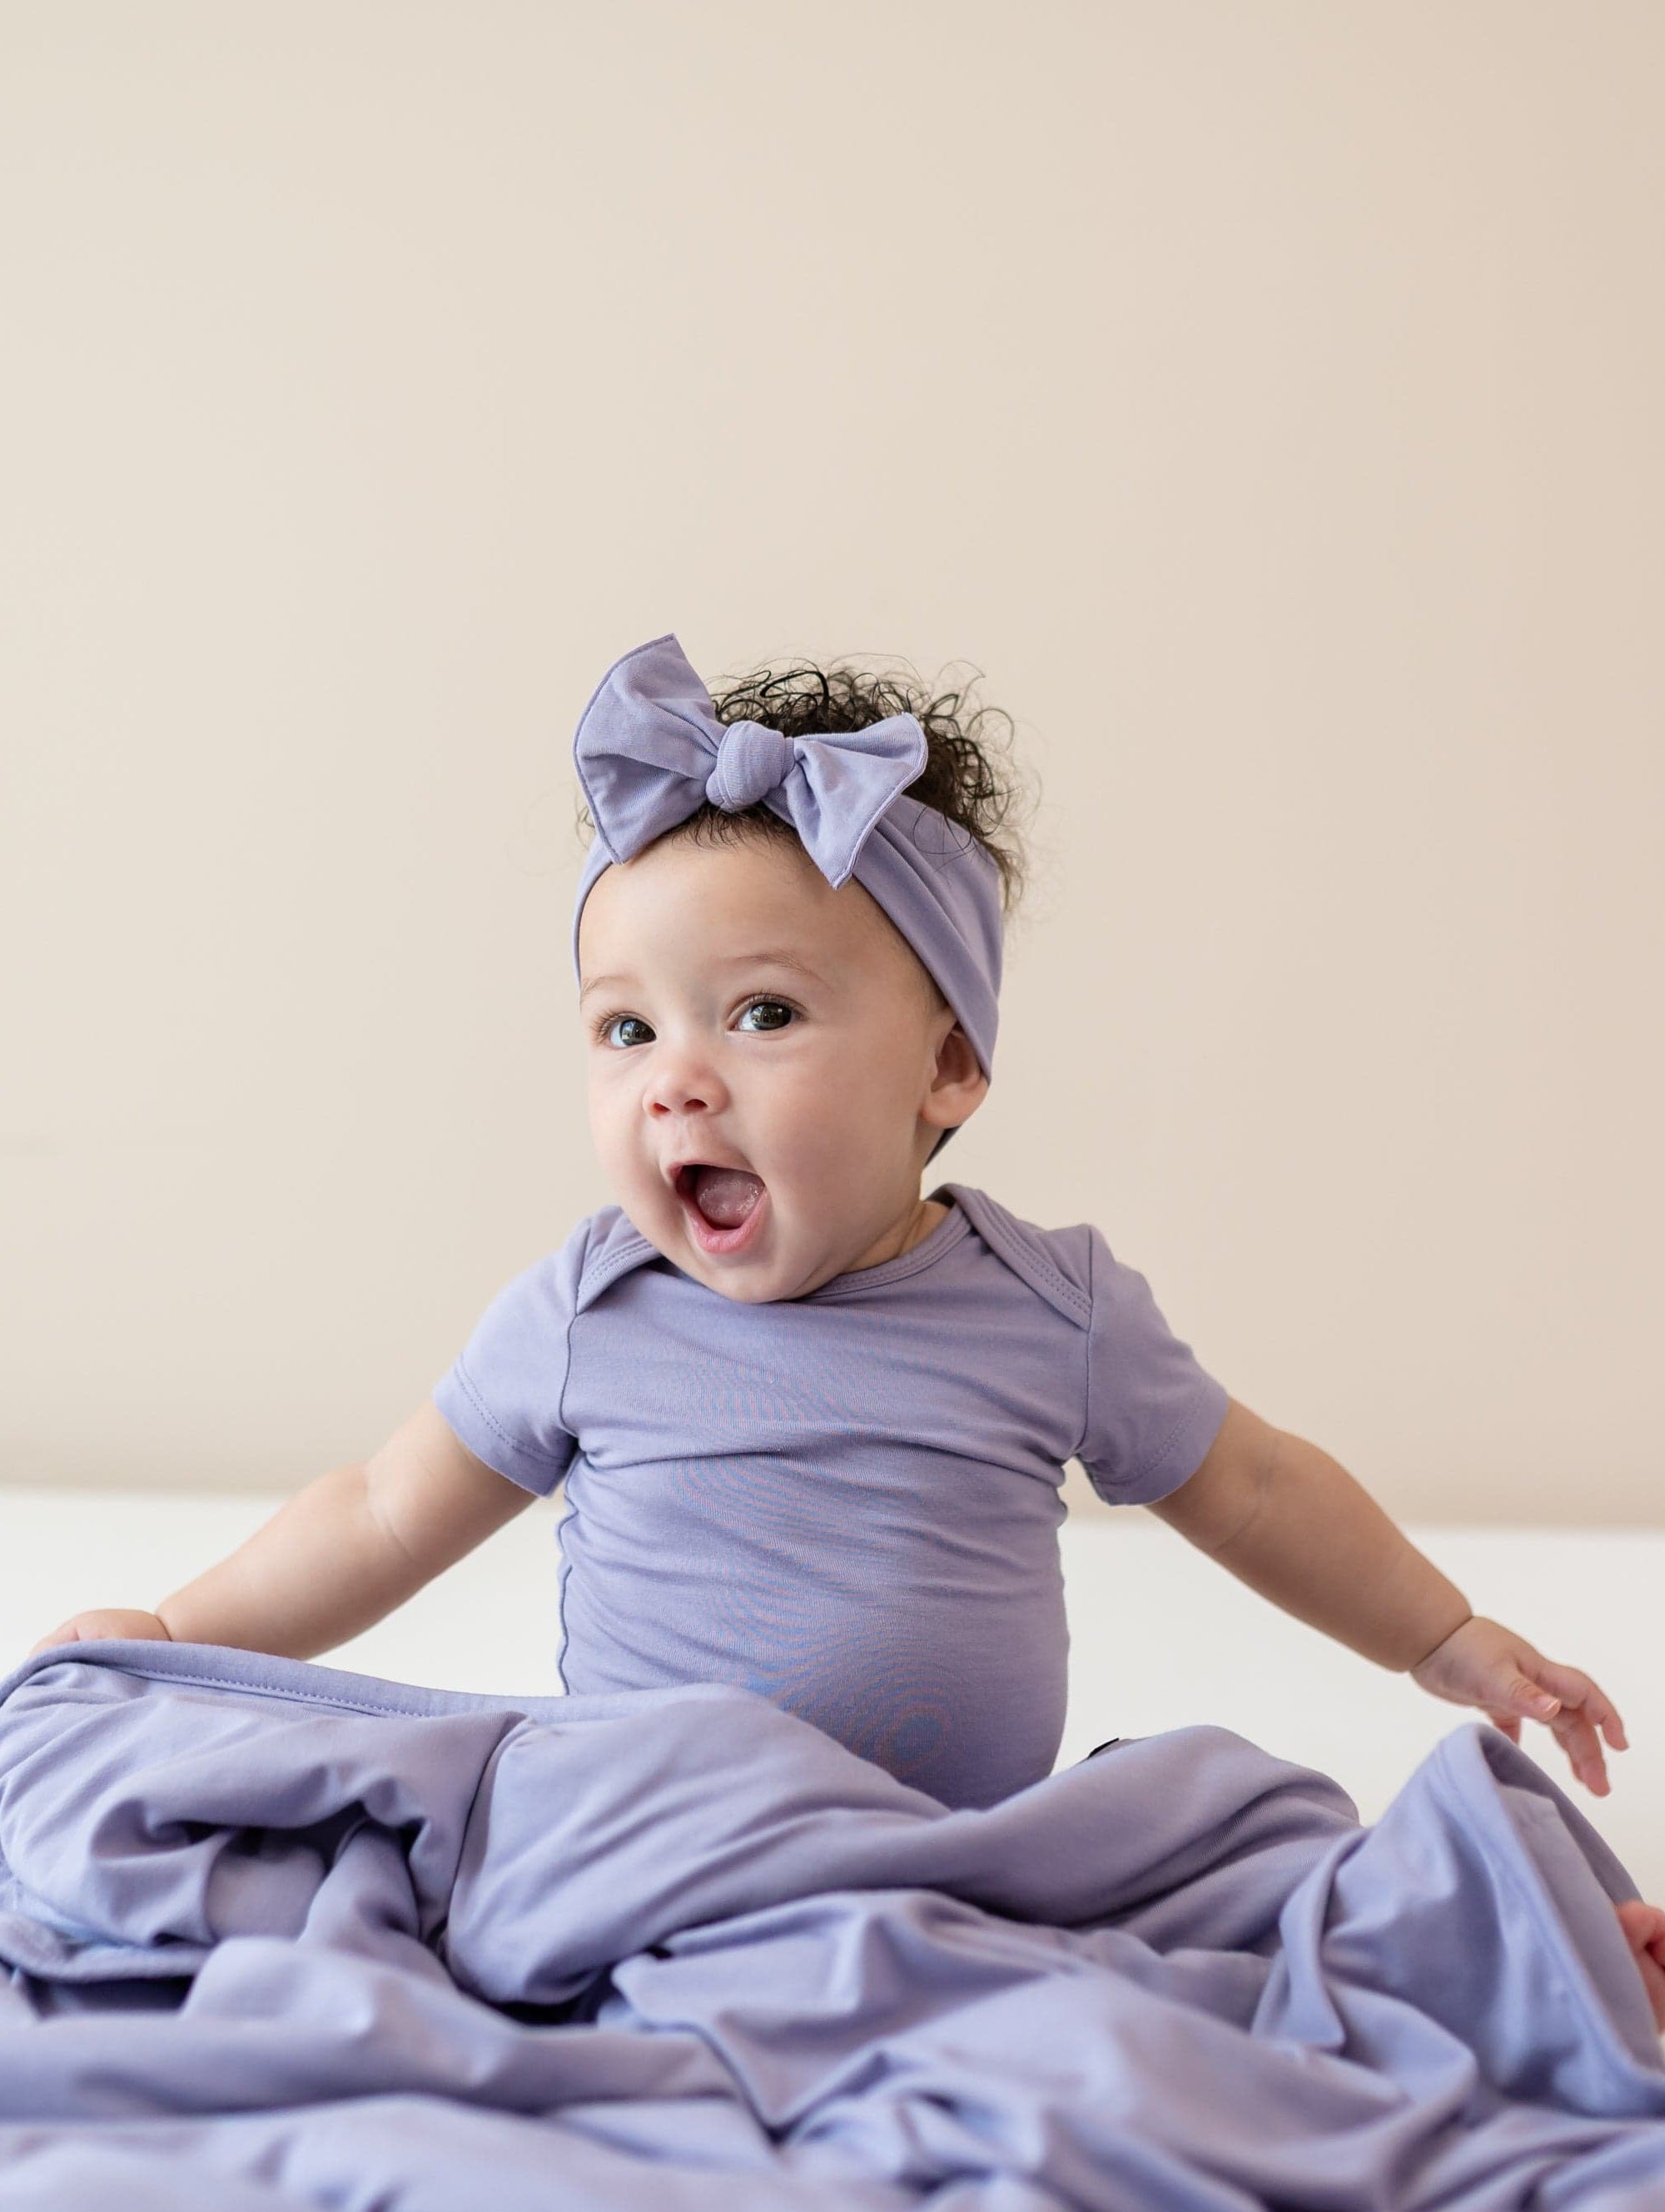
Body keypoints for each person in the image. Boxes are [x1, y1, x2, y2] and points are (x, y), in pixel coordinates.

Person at [33, 630, 1665, 2016]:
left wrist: (1444, 1639)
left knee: (1240, 1816)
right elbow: (382, 1509)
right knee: (418, 1807)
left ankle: (1522, 1955)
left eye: (763, 1013)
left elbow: (1248, 1487)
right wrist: (180, 1639)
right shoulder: (589, 1312)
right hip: (656, 1831)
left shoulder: (1050, 1306)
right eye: (624, 1026)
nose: (677, 1071)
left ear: (946, 1070)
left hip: (968, 1855)